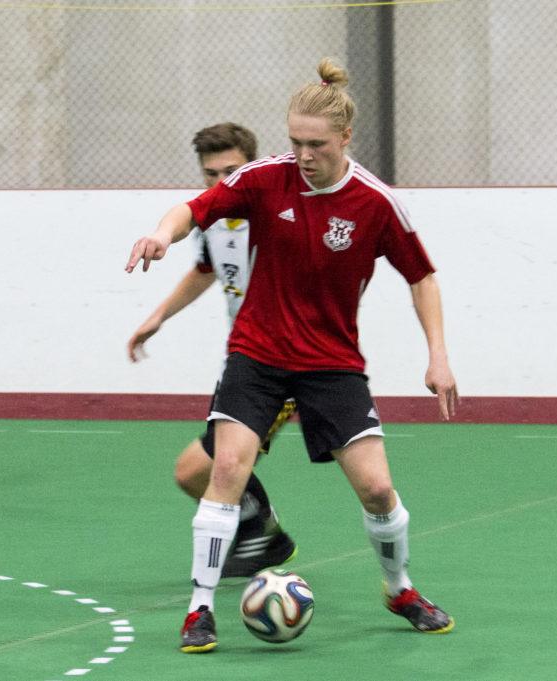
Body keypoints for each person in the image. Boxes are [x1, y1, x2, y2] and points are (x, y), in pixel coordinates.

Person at [126, 58, 459, 653]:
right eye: (295, 142)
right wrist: (159, 232)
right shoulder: (264, 178)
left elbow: (423, 277)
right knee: (224, 470)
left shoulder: (376, 203)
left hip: (332, 363)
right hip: (256, 355)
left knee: (379, 492)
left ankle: (399, 588)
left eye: (316, 144)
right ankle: (199, 610)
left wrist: (438, 356)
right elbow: (192, 212)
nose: (303, 155)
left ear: (346, 138)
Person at [127, 123, 296, 578]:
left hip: (288, 365)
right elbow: (206, 270)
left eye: (232, 170)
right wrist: (159, 316)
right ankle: (263, 533)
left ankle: (263, 532)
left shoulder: (280, 213)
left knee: (202, 469)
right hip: (244, 364)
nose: (222, 183)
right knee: (192, 473)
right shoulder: (213, 220)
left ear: (254, 166)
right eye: (210, 174)